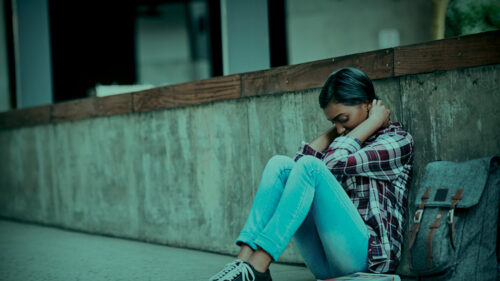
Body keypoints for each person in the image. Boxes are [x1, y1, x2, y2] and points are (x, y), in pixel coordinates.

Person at [208, 67, 414, 281]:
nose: (340, 129)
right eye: (333, 122)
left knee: (311, 166)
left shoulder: (396, 141)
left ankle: (259, 267)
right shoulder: (345, 140)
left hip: (368, 261)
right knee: (280, 165)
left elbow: (331, 162)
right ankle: (243, 264)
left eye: (343, 118)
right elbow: (295, 175)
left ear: (368, 105)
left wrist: (371, 123)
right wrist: (338, 128)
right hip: (326, 261)